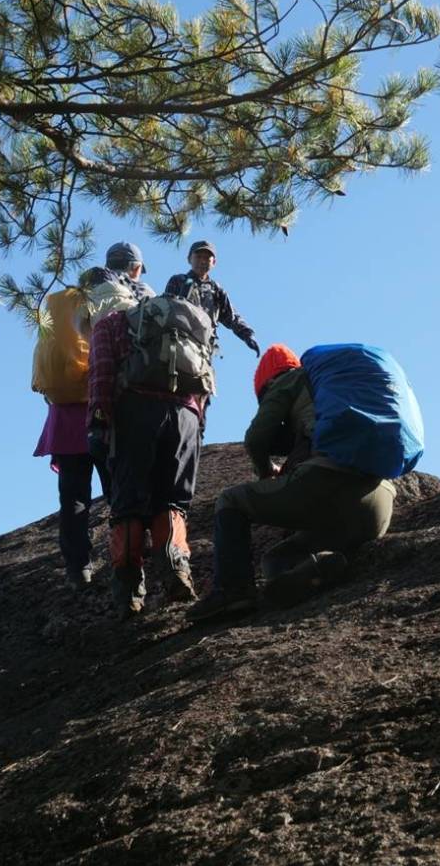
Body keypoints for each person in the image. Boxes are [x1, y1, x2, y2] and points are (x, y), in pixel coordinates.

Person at [189, 344, 397, 622]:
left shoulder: (287, 380)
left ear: (267, 384)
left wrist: (266, 472)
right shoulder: (331, 394)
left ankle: (232, 591)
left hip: (328, 485)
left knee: (231, 500)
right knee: (276, 559)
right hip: (379, 504)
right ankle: (321, 566)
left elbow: (257, 438)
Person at [31, 242, 149, 587]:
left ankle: (77, 567)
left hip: (63, 414)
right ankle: (129, 554)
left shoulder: (61, 302)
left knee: (73, 495)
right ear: (134, 269)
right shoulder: (118, 292)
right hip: (100, 403)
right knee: (116, 486)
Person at [86, 294, 209, 618]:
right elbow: (204, 375)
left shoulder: (110, 323)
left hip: (136, 409)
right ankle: (177, 570)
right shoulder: (180, 323)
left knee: (129, 502)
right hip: (185, 414)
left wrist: (98, 419)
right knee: (172, 500)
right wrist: (197, 424)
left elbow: (101, 371)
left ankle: (128, 591)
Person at [164, 240, 258, 356]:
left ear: (214, 262)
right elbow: (165, 310)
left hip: (203, 351)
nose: (202, 261)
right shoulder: (178, 281)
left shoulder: (216, 291)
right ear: (189, 259)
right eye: (198, 257)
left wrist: (248, 335)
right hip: (178, 343)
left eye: (207, 258)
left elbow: (232, 318)